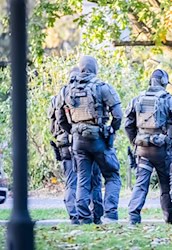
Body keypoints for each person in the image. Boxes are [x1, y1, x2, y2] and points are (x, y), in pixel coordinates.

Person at [56, 56, 123, 224]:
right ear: (95, 69)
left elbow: (60, 118)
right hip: (98, 138)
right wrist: (112, 129)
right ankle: (111, 214)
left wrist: (72, 130)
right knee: (112, 175)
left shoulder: (66, 90)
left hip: (77, 140)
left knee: (83, 179)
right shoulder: (102, 87)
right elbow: (118, 115)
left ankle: (84, 217)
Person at [125, 69, 172, 225]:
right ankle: (170, 219)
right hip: (163, 151)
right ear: (164, 82)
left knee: (141, 184)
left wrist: (135, 141)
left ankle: (133, 217)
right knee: (166, 186)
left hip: (143, 150)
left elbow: (128, 125)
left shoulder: (136, 100)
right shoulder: (170, 100)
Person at [48, 67, 104, 224]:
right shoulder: (85, 92)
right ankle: (95, 215)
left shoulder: (58, 97)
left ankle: (75, 215)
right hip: (81, 140)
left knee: (72, 181)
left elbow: (54, 123)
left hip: (65, 144)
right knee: (92, 180)